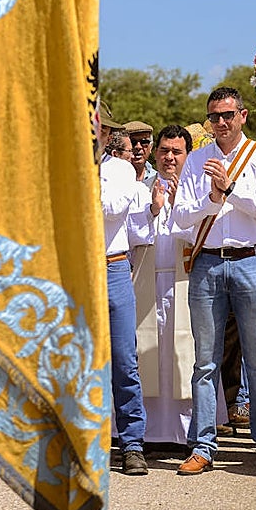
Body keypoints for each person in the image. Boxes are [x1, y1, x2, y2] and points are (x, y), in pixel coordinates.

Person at [173, 86, 256, 478]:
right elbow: (180, 216)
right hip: (207, 261)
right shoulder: (197, 159)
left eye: (227, 115)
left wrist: (231, 189)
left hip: (250, 260)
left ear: (243, 116)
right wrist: (212, 200)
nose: (220, 123)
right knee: (205, 361)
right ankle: (202, 446)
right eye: (214, 117)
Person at [131, 125, 211, 448]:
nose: (170, 157)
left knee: (183, 353)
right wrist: (153, 209)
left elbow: (201, 236)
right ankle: (148, 431)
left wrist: (180, 206)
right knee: (147, 353)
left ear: (188, 155)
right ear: (155, 153)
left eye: (177, 152)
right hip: (147, 282)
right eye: (164, 150)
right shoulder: (139, 189)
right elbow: (130, 234)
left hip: (184, 282)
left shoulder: (197, 190)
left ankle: (186, 432)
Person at [100, 123, 149, 475]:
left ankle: (132, 443)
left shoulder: (120, 168)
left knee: (123, 360)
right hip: (75, 268)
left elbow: (113, 208)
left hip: (112, 265)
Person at [125, 120, 158, 186]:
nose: (138, 147)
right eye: (132, 142)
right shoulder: (114, 175)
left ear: (151, 147)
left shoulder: (157, 178)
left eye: (144, 142)